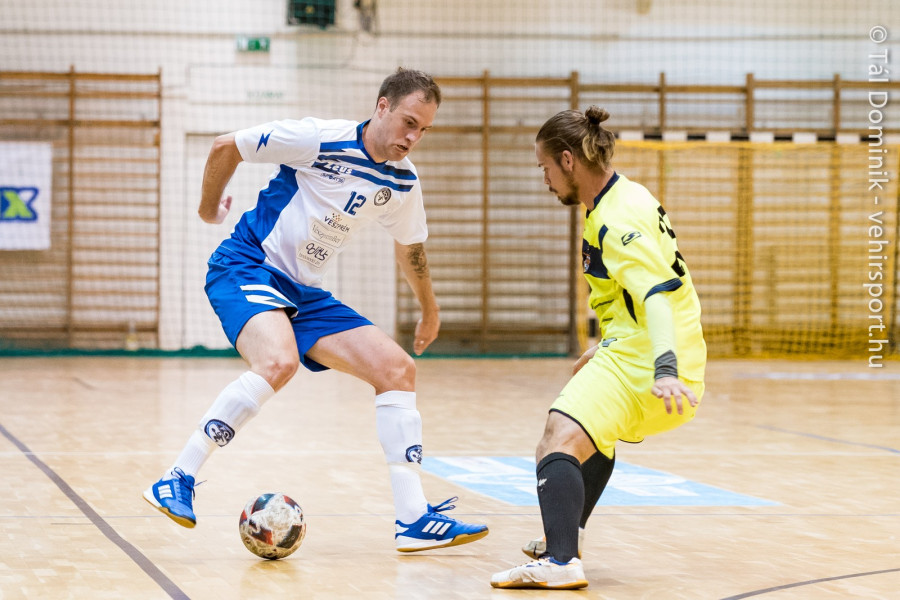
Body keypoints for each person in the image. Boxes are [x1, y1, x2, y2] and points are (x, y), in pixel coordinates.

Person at [143, 68, 488, 553]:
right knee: (278, 362)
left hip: (303, 291)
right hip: (247, 267)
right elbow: (226, 146)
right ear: (382, 107)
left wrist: (429, 309)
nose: (414, 137)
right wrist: (206, 211)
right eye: (409, 121)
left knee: (397, 370)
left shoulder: (403, 182)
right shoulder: (319, 139)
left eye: (424, 129)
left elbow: (411, 249)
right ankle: (176, 477)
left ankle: (412, 519)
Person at [490, 106, 706, 589]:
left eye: (545, 168)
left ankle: (562, 561)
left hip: (651, 357)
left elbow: (656, 294)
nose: (544, 179)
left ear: (568, 160)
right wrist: (609, 343)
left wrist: (663, 367)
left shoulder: (616, 217)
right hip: (645, 348)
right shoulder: (623, 194)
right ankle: (568, 540)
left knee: (557, 435)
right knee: (593, 432)